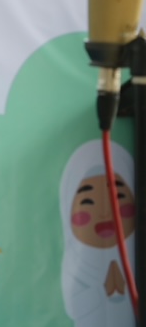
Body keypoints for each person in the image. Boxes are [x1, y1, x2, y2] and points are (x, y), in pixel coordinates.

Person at [60, 139, 136, 327]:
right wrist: (103, 290)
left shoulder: (137, 254)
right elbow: (73, 307)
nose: (104, 213)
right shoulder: (75, 266)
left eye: (118, 197)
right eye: (87, 202)